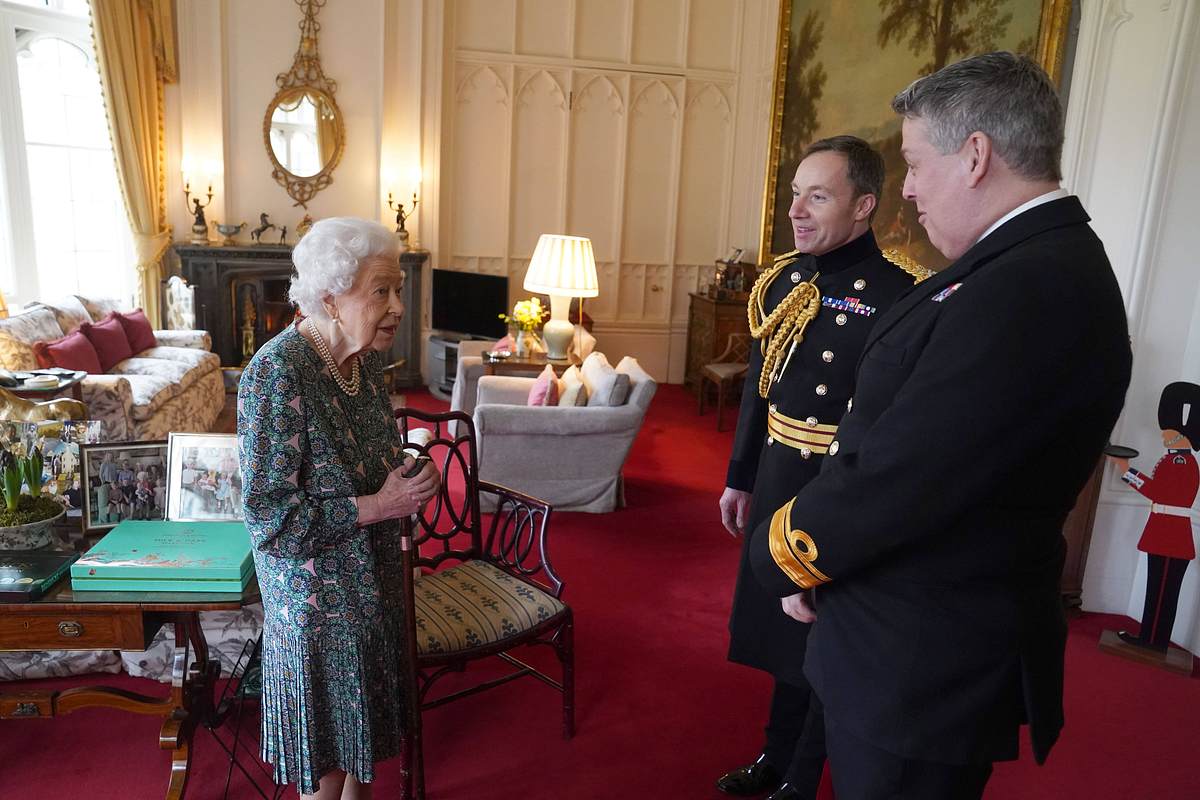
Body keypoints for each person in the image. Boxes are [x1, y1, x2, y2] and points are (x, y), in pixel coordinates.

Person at [749, 52, 1132, 799]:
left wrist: (786, 555)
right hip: (907, 635)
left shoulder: (1024, 288)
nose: (911, 187)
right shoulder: (1026, 265)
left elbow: (905, 475)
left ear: (977, 155)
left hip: (923, 658)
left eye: (917, 162)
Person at [718, 135, 927, 800]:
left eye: (818, 195)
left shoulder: (901, 295)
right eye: (794, 194)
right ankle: (777, 758)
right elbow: (762, 383)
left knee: (827, 642)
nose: (796, 211)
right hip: (781, 479)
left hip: (840, 491)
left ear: (864, 205)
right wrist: (740, 475)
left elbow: (892, 425)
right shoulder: (784, 279)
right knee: (785, 635)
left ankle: (799, 781)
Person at [239, 216, 439, 800]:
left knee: (361, 760)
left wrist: (408, 469)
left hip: (372, 590)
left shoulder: (368, 364)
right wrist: (381, 504)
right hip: (318, 612)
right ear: (330, 295)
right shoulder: (277, 374)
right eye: (381, 291)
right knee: (326, 773)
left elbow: (370, 453)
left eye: (397, 289)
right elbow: (272, 522)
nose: (398, 306)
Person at [1109, 381, 1200, 653]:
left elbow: (1158, 492)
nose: (1164, 436)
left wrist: (1126, 471)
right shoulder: (1175, 460)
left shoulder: (1181, 463)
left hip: (1170, 537)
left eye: (1169, 432)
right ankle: (1151, 637)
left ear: (1182, 436)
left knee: (1162, 594)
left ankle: (1153, 641)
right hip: (1166, 534)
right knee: (1159, 591)